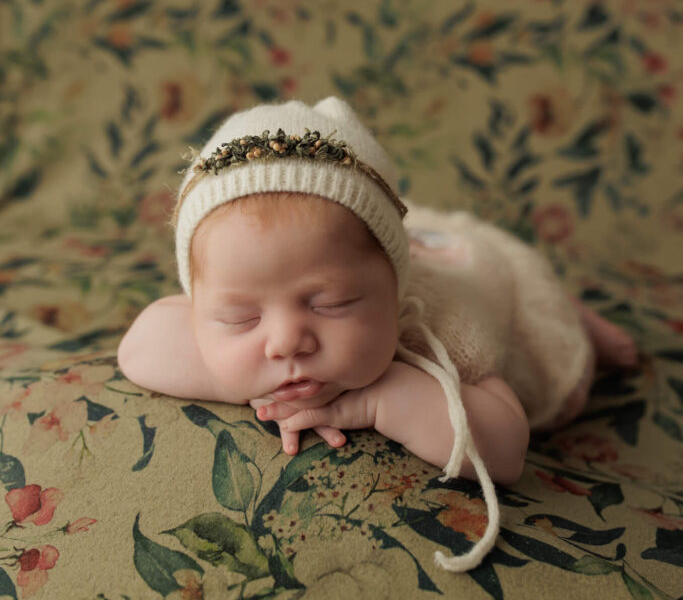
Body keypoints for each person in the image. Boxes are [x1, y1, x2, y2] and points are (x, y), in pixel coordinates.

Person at [117, 97, 637, 571]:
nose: (285, 342)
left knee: (534, 294)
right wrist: (246, 379)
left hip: (490, 276)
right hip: (396, 239)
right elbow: (140, 346)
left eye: (331, 304)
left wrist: (381, 398)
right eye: (240, 319)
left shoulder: (448, 322)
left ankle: (585, 319)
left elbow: (505, 448)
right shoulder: (248, 285)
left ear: (394, 295)